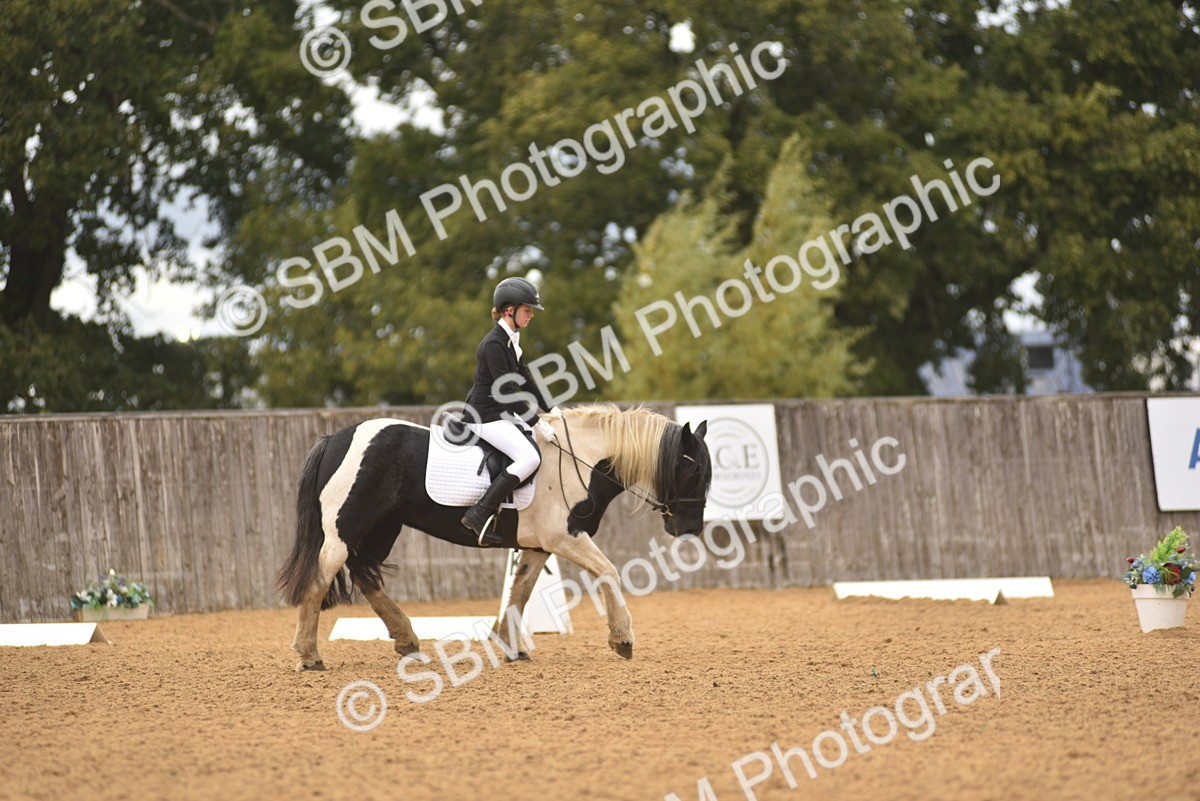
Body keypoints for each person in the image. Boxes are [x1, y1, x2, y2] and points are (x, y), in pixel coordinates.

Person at [460, 277, 558, 546]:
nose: (531, 315)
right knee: (529, 458)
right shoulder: (494, 344)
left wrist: (553, 409)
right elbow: (506, 392)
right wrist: (537, 421)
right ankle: (479, 514)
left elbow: (526, 380)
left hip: (499, 414)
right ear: (508, 311)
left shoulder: (511, 340)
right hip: (483, 416)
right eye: (528, 310)